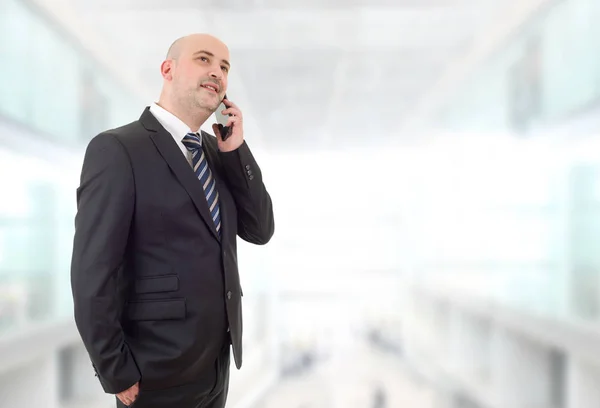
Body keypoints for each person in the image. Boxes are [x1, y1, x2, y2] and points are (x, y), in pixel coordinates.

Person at [70, 33, 275, 408]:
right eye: (204, 59)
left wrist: (236, 151)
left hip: (216, 368)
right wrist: (114, 368)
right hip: (155, 372)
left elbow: (260, 230)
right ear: (168, 69)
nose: (217, 71)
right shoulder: (117, 150)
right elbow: (91, 272)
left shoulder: (219, 152)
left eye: (224, 67)